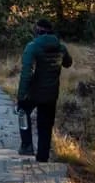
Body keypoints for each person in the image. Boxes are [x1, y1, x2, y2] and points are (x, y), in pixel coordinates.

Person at [16, 17, 73, 162]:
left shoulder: (32, 47)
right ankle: (43, 156)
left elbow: (26, 72)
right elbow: (68, 63)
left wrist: (22, 94)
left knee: (23, 113)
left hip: (34, 92)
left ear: (38, 30)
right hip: (51, 93)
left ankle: (27, 144)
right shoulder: (60, 47)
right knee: (46, 125)